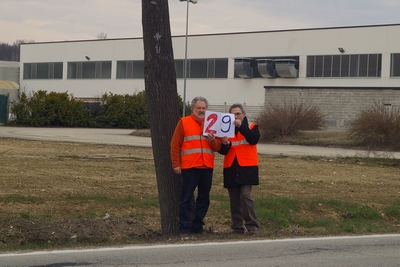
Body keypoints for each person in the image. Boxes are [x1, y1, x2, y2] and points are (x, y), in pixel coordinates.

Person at [170, 96, 221, 236]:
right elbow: (175, 144)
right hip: (190, 167)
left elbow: (217, 147)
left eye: (204, 108)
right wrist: (176, 164)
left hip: (207, 167)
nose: (201, 110)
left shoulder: (212, 124)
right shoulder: (184, 122)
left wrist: (212, 141)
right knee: (186, 199)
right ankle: (184, 228)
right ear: (193, 109)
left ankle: (197, 226)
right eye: (198, 108)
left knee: (204, 199)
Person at [219, 103, 260, 234]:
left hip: (247, 167)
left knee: (245, 195)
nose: (235, 117)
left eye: (238, 114)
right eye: (233, 114)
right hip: (231, 167)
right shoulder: (226, 129)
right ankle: (237, 226)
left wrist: (241, 126)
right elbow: (223, 151)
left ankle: (252, 224)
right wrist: (225, 144)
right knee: (234, 198)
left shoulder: (252, 126)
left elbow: (253, 139)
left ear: (244, 114)